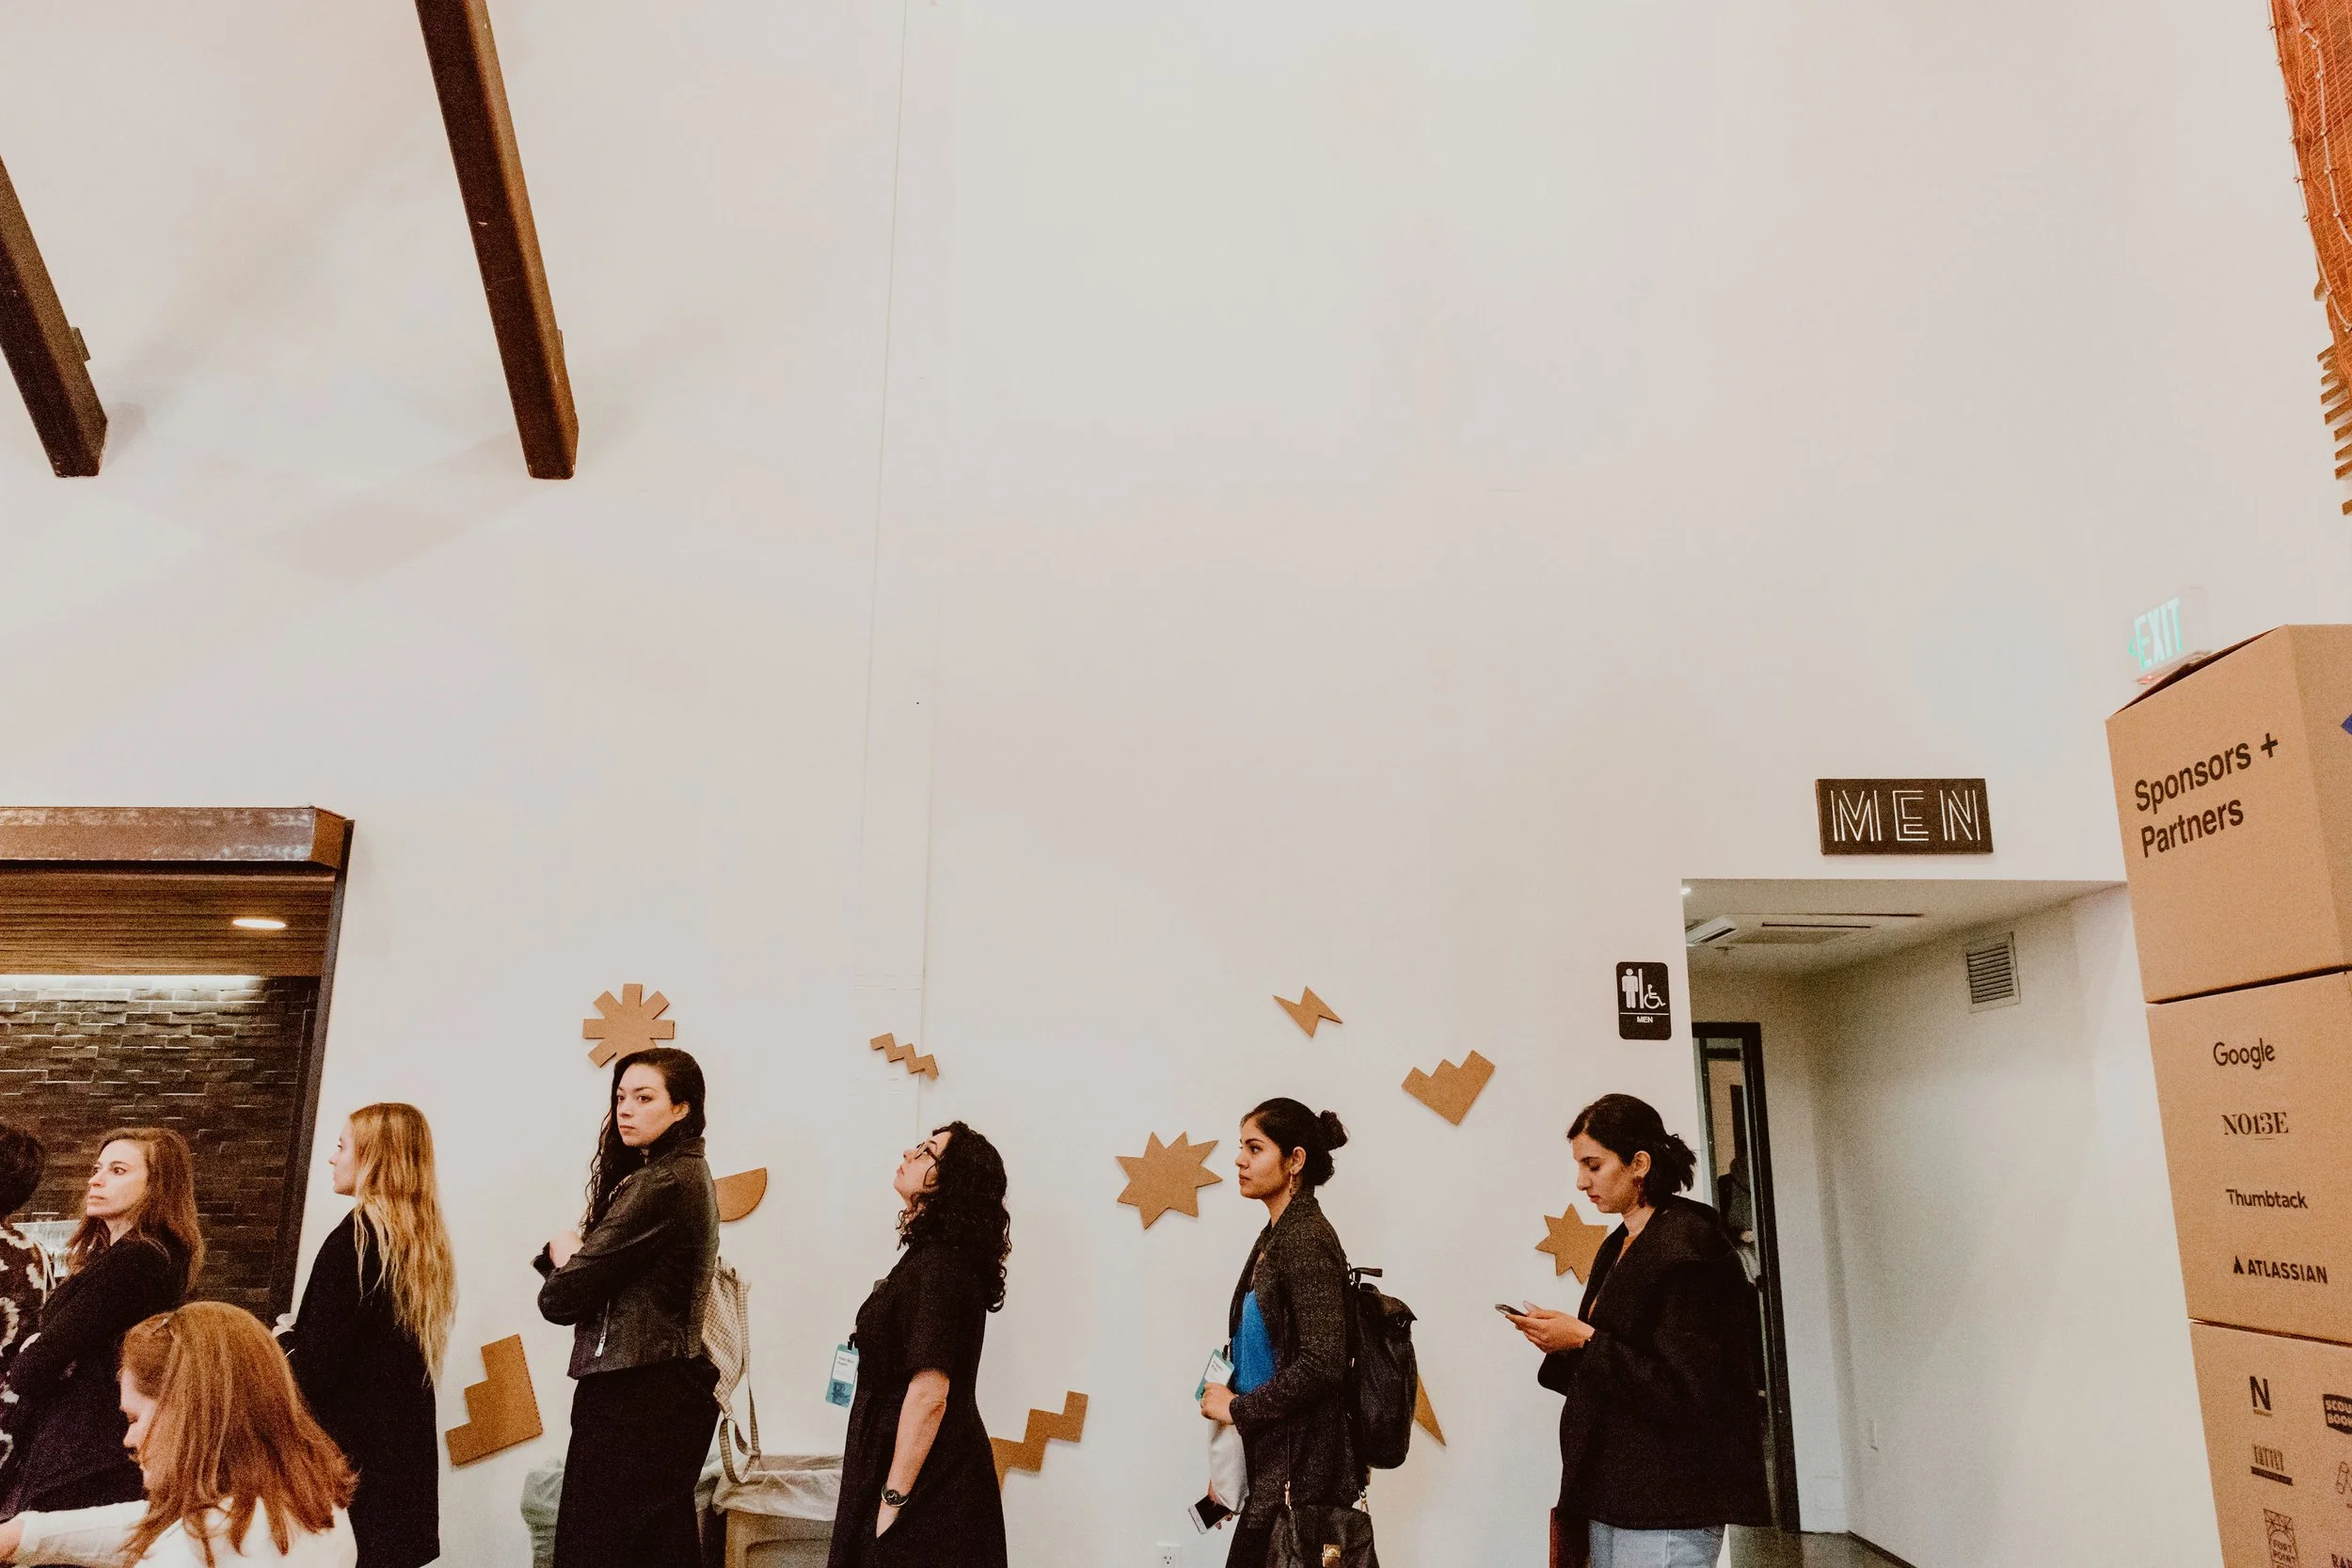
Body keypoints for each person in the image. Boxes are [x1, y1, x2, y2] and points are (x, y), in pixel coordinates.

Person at [1506, 1094, 1769, 1568]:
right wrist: (1562, 1341)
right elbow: (1617, 1364)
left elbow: (1685, 1390)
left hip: (1669, 1495)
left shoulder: (1691, 1246)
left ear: (1639, 1164)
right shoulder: (1620, 1244)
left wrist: (1582, 1340)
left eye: (1593, 1165)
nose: (1581, 1181)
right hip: (1615, 1489)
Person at [535, 1049, 720, 1568]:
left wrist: (564, 1253)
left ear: (682, 1108)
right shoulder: (683, 1174)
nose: (626, 1110)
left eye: (644, 1098)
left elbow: (561, 1299)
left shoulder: (661, 1183)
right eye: (621, 1098)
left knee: (599, 1549)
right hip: (659, 1389)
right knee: (655, 1548)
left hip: (634, 1396)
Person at [0, 1302, 356, 1567]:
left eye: (134, 1418)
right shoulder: (316, 1507)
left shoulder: (193, 1551)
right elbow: (153, 1523)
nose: (128, 1440)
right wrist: (22, 1534)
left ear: (186, 1413)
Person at [828, 1123, 1010, 1568]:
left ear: (953, 1183)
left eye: (927, 1152)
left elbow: (930, 1395)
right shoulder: (932, 1258)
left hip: (929, 1486)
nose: (909, 1153)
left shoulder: (940, 1266)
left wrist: (893, 1500)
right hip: (920, 1471)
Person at [282, 1105, 455, 1568]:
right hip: (397, 1463)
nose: (331, 1158)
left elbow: (317, 1367)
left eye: (341, 1147)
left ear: (374, 1158)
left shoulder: (355, 1241)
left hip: (352, 1465)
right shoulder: (418, 1243)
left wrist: (283, 1341)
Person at [1197, 1100, 1362, 1568]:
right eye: (1241, 1147)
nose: (1239, 1160)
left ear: (1295, 1161)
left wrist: (1236, 1410)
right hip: (1271, 1463)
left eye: (1255, 1148)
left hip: (1301, 1476)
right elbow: (1258, 1360)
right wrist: (1231, 1465)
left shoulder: (1306, 1238)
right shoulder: (1277, 1234)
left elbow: (1322, 1363)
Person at [2, 1127, 201, 1514]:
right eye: (98, 1168)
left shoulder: (138, 1260)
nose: (96, 1179)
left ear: (158, 1185)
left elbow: (33, 1367)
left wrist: (39, 1349)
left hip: (89, 1451)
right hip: (88, 1442)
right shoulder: (129, 1256)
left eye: (118, 1170)